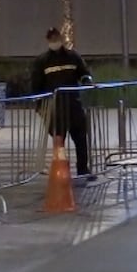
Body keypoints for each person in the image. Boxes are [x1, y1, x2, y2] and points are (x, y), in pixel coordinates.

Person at [30, 27, 95, 179]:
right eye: (51, 39)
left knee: (80, 138)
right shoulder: (42, 61)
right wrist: (40, 106)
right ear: (48, 41)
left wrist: (87, 80)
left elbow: (84, 73)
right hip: (54, 108)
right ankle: (61, 171)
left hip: (73, 105)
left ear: (61, 38)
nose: (54, 42)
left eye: (56, 38)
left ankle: (83, 169)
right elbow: (36, 85)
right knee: (59, 141)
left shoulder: (73, 57)